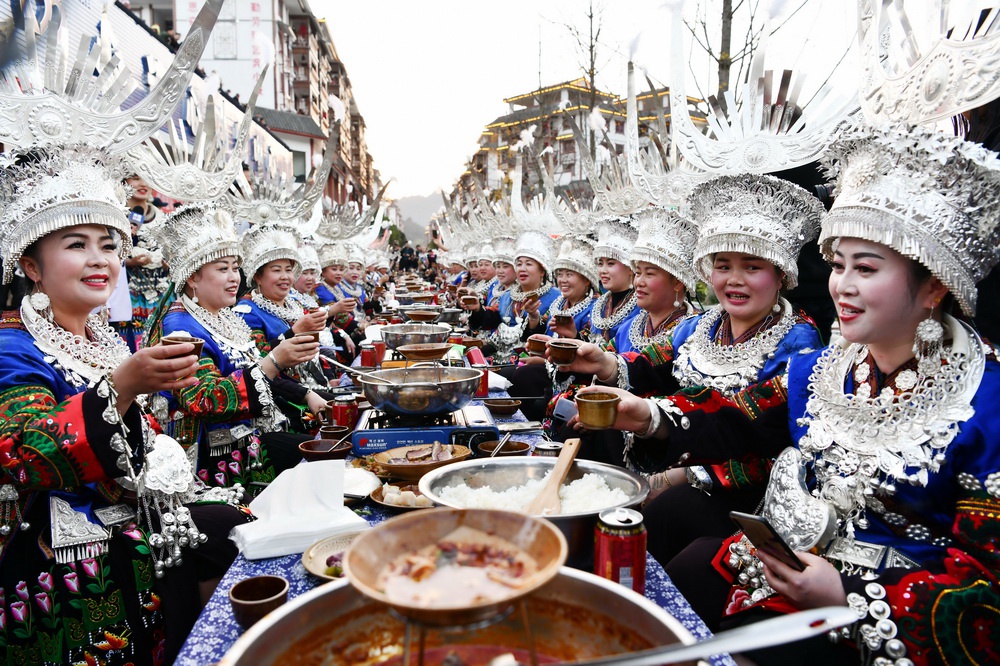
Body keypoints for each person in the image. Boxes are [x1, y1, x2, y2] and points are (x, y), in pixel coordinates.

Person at [580, 124, 1000, 664]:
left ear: (934, 284)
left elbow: (986, 586)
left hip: (888, 617)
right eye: (838, 266)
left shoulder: (985, 404)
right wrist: (647, 415)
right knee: (678, 576)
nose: (842, 286)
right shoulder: (819, 370)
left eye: (866, 268)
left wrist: (849, 596)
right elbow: (739, 418)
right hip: (791, 559)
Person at [565, 177, 824, 563]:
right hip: (675, 455)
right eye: (723, 265)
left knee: (665, 515)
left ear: (781, 275)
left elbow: (770, 437)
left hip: (740, 490)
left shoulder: (799, 342)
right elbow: (651, 363)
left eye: (752, 266)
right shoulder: (700, 325)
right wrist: (605, 364)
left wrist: (689, 474)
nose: (733, 279)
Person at [146, 205, 319, 490]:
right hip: (212, 454)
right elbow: (202, 399)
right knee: (315, 457)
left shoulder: (223, 316)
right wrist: (274, 361)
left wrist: (303, 390)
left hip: (250, 433)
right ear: (193, 277)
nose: (234, 278)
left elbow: (258, 370)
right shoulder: (179, 328)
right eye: (222, 269)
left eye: (235, 268)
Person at [233, 224, 334, 430]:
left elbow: (313, 352)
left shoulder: (294, 304)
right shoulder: (247, 312)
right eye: (276, 270)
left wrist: (330, 378)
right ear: (258, 276)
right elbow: (259, 363)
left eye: (288, 270)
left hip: (313, 386)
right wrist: (294, 332)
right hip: (282, 398)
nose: (285, 277)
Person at [589, 216, 641, 347]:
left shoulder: (641, 306)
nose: (603, 270)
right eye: (600, 264)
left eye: (611, 263)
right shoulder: (599, 304)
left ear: (630, 268)